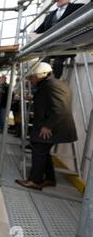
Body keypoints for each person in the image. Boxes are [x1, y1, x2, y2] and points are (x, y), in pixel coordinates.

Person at [16, 62, 77, 190]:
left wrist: (48, 126)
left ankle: (35, 181)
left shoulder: (51, 86)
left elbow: (60, 108)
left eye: (32, 76)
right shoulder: (52, 84)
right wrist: (34, 98)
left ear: (42, 74)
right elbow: (50, 102)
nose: (30, 79)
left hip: (51, 127)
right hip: (54, 126)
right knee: (44, 152)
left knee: (38, 151)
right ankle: (50, 179)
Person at [34, 0, 84, 79]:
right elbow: (39, 30)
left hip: (66, 45)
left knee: (58, 61)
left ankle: (55, 81)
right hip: (51, 46)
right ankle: (43, 82)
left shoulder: (76, 8)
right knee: (44, 61)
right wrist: (33, 34)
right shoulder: (50, 15)